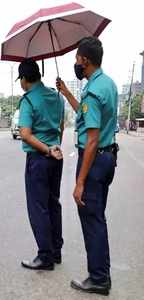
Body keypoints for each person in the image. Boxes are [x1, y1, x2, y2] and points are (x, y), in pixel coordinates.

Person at [56, 37, 118, 296]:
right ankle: (101, 275)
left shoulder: (93, 91)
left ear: (85, 60)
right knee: (97, 217)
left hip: (95, 159)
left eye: (77, 59)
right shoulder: (107, 84)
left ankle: (99, 278)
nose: (75, 63)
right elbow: (84, 115)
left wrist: (80, 182)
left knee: (91, 219)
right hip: (108, 158)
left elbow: (91, 140)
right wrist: (67, 92)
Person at [16, 58, 65, 271]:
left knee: (39, 207)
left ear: (24, 79)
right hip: (56, 157)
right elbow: (61, 126)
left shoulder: (28, 100)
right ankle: (56, 251)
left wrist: (45, 149)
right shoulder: (57, 97)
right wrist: (53, 147)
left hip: (39, 158)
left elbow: (25, 134)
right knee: (53, 203)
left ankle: (45, 256)